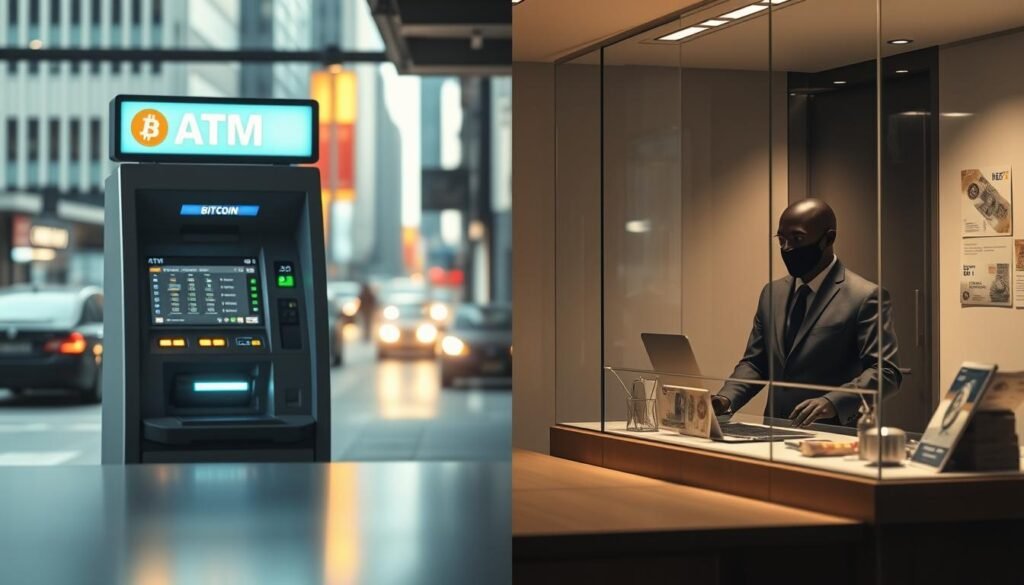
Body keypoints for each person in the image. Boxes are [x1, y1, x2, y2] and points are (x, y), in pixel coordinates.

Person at [712, 199, 902, 427]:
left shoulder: (865, 296)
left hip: (831, 434)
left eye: (797, 239)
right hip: (773, 431)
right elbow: (756, 362)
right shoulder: (772, 293)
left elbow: (886, 371)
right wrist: (725, 399)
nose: (787, 248)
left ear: (828, 239)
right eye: (781, 240)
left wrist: (832, 402)